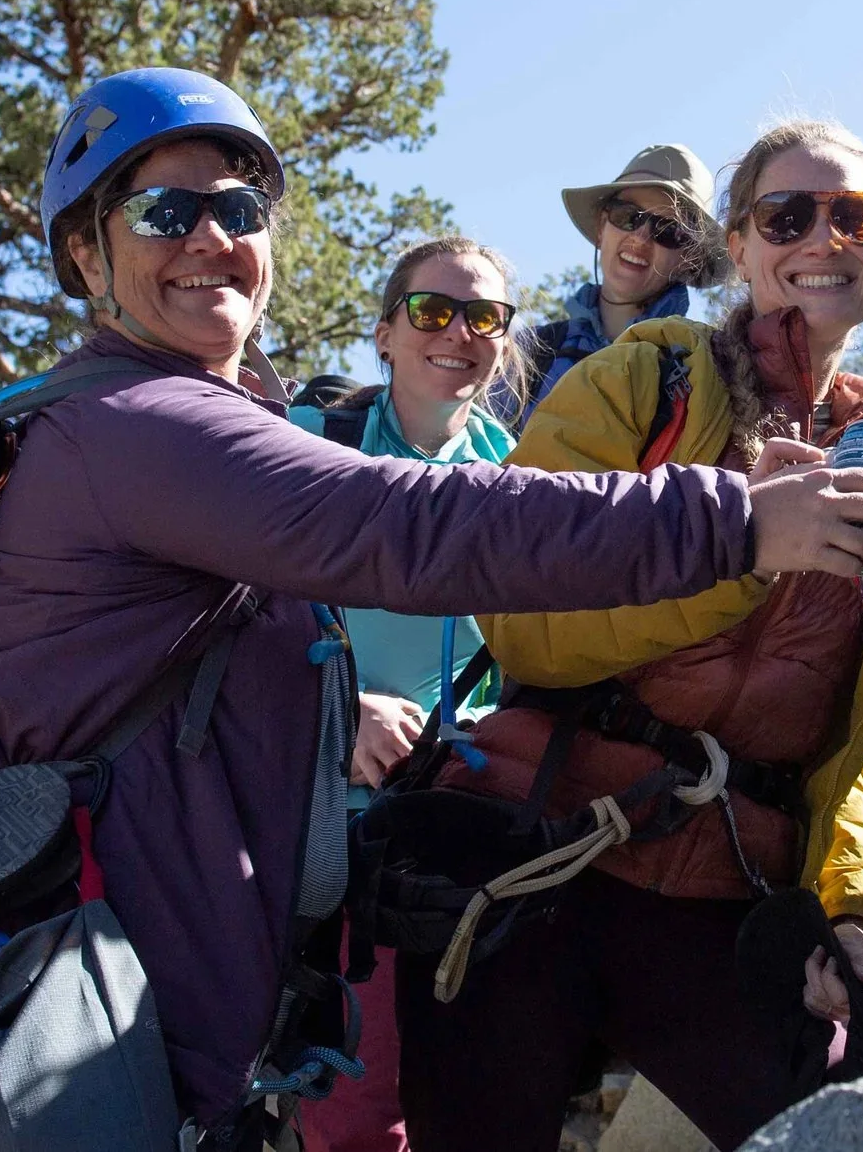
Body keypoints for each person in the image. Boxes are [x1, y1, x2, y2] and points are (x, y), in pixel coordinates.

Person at [0, 70, 863, 1145]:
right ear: (86, 254)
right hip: (96, 969)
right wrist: (736, 526)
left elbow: (849, 733)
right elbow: (405, 526)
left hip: (165, 962)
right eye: (165, 211)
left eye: (237, 208)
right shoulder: (139, 426)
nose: (209, 237)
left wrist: (854, 899)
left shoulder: (183, 420)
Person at [396, 119, 863, 1152]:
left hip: (725, 903)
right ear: (740, 240)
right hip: (539, 855)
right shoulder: (653, 377)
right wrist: (744, 556)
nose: (823, 235)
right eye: (786, 213)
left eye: (853, 214)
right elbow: (522, 618)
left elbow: (843, 754)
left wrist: (856, 913)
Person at [289, 235, 527, 1152]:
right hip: (332, 831)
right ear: (384, 332)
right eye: (432, 310)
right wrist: (337, 714)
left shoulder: (524, 477)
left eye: (485, 316)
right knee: (357, 1105)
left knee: (482, 1099)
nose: (459, 331)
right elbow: (216, 622)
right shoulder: (310, 446)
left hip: (474, 829)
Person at [510, 143, 725, 423]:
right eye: (628, 217)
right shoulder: (527, 355)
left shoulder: (707, 368)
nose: (640, 238)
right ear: (602, 227)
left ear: (690, 257)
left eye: (667, 230)